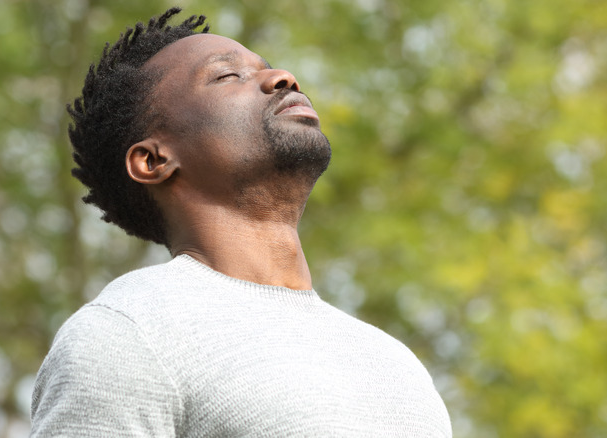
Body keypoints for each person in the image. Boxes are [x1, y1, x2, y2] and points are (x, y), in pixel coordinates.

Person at [31, 7, 452, 437]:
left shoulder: (392, 362)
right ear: (154, 159)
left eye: (267, 69)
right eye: (227, 76)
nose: (282, 78)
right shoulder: (128, 331)